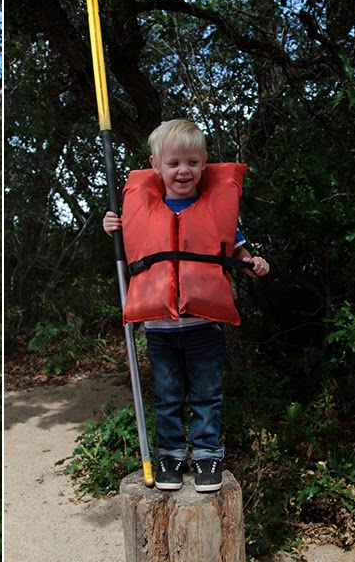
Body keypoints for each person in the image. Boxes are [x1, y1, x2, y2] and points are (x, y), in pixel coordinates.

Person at [103, 119, 269, 493]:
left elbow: (239, 252)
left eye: (193, 163)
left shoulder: (216, 209)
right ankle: (171, 455)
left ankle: (208, 454)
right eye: (175, 163)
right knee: (168, 396)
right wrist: (109, 224)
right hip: (159, 329)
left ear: (204, 164)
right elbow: (124, 240)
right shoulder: (138, 212)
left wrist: (255, 263)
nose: (184, 171)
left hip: (203, 325)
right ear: (156, 165)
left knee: (207, 393)